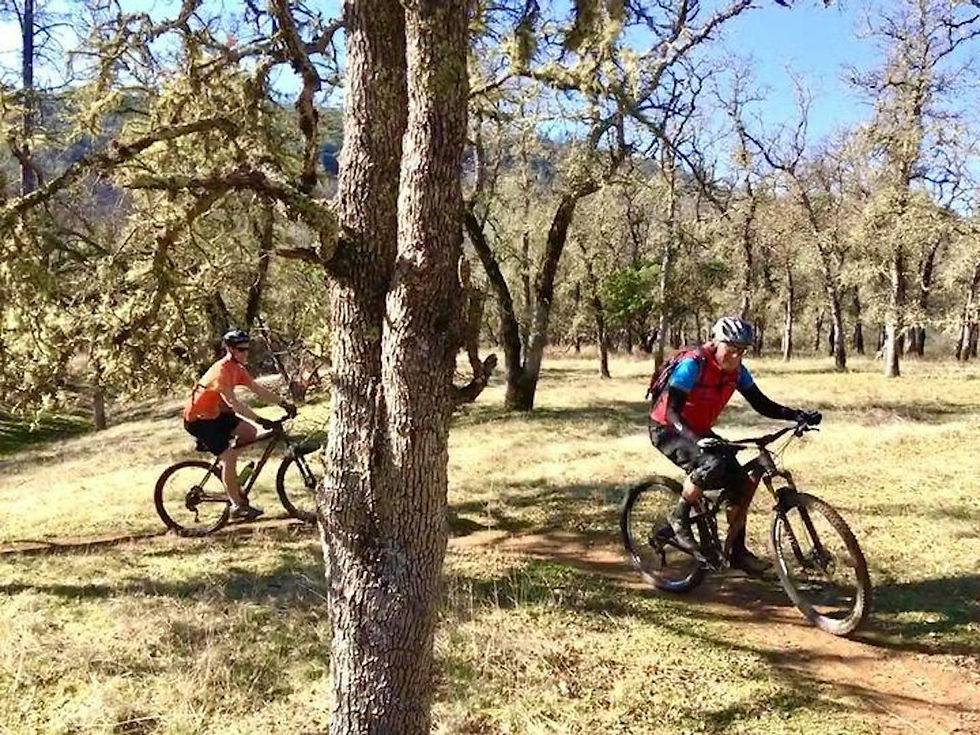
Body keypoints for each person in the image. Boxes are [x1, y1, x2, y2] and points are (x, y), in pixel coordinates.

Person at [648, 316, 821, 575]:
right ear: (716, 343)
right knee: (712, 463)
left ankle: (737, 553)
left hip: (698, 429)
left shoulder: (738, 372)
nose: (736, 356)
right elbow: (672, 410)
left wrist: (796, 414)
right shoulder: (693, 364)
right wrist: (696, 440)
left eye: (742, 351)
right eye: (731, 349)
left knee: (740, 483)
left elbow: (761, 403)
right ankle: (679, 517)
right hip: (668, 428)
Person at [183, 329, 296, 520]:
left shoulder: (237, 369)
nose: (245, 353)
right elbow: (233, 404)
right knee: (228, 456)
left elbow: (258, 389)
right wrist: (260, 419)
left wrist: (284, 403)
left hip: (216, 414)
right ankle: (237, 506)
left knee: (249, 432)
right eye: (240, 349)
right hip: (198, 419)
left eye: (246, 349)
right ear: (229, 349)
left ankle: (231, 478)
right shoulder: (221, 371)